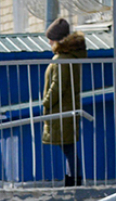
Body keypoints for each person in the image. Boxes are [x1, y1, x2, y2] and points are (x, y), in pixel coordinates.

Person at [42, 17, 86, 187]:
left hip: (61, 110)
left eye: (51, 40)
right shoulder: (70, 57)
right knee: (68, 147)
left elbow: (58, 86)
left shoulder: (61, 60)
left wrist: (46, 102)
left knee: (68, 148)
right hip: (67, 108)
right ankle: (72, 180)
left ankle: (73, 182)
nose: (49, 43)